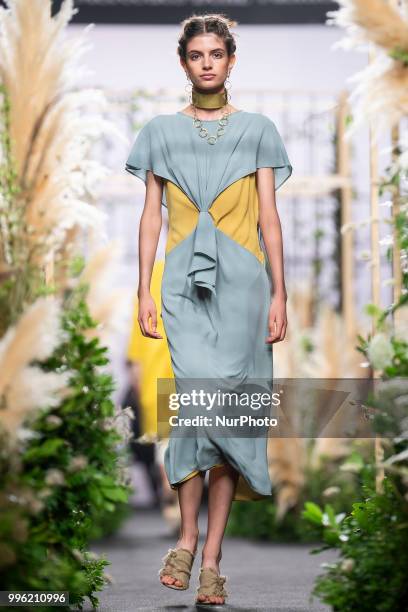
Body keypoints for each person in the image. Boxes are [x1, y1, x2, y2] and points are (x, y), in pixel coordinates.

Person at [125, 12, 293, 606]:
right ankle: (187, 538)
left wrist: (280, 291)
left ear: (230, 60)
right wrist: (143, 288)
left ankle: (213, 557)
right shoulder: (160, 132)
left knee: (232, 418)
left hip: (245, 286)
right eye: (196, 54)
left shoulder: (258, 129)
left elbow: (270, 217)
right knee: (198, 409)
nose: (206, 63)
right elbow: (151, 215)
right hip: (182, 289)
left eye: (215, 54)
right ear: (184, 62)